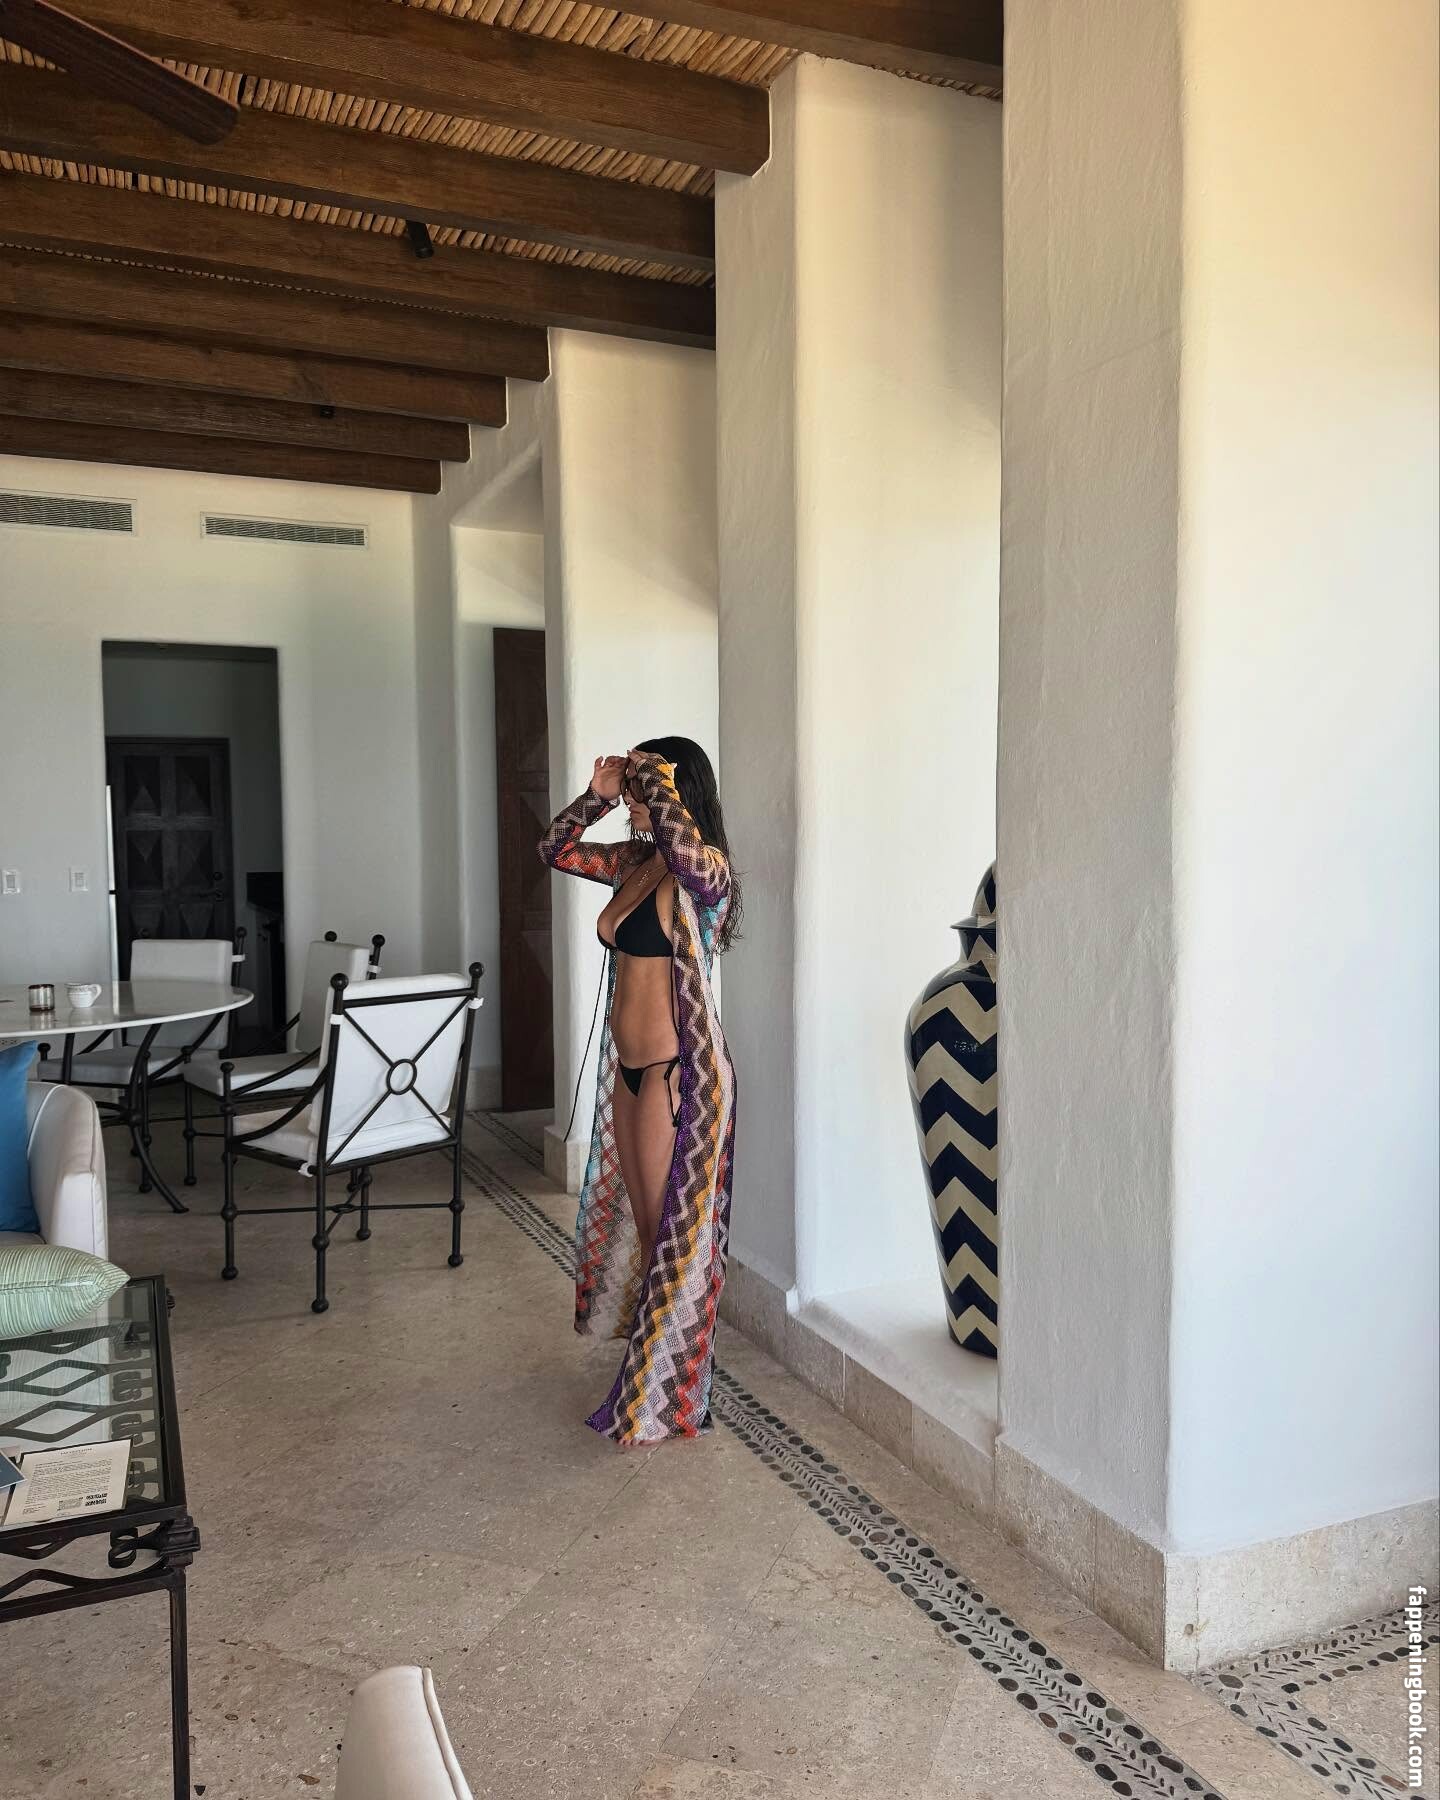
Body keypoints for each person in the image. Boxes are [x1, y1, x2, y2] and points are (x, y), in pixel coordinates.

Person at [539, 737, 739, 1445]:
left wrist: (653, 775)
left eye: (638, 789)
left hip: (676, 1076)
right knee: (652, 1232)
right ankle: (661, 1376)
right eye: (629, 789)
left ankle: (670, 1393)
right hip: (629, 1074)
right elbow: (557, 851)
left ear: (674, 789)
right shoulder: (635, 862)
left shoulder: (703, 870)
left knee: (671, 1238)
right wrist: (595, 797)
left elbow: (688, 851)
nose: (630, 799)